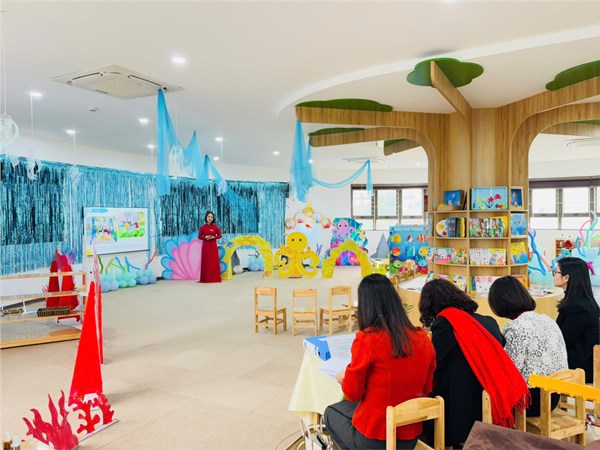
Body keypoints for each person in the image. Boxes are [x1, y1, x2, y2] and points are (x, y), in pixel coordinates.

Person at [324, 274, 436, 450]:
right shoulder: (422, 337)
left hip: (376, 437)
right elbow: (427, 387)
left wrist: (344, 378)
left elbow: (352, 394)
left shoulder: (367, 339)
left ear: (365, 306)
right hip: (410, 436)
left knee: (331, 413)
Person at [419, 279, 528, 448]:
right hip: (490, 393)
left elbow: (436, 365)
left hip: (462, 403)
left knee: (422, 396)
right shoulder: (487, 321)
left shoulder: (445, 323)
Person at [488, 276, 568, 417]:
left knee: (486, 393)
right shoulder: (547, 319)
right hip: (555, 394)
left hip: (533, 400)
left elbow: (511, 370)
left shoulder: (515, 328)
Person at [554, 257, 600, 383]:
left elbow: (563, 340)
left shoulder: (579, 308)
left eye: (556, 272)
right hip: (576, 359)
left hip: (580, 368)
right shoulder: (579, 302)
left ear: (566, 278)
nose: (554, 275)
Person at [198, 210, 222, 283]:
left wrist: (213, 237)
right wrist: (205, 237)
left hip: (213, 246)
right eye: (208, 216)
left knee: (213, 262)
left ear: (213, 218)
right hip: (205, 246)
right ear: (206, 217)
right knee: (206, 262)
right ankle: (205, 279)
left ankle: (214, 278)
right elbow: (199, 237)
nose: (210, 218)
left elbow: (220, 235)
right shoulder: (202, 227)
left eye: (211, 217)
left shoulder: (215, 227)